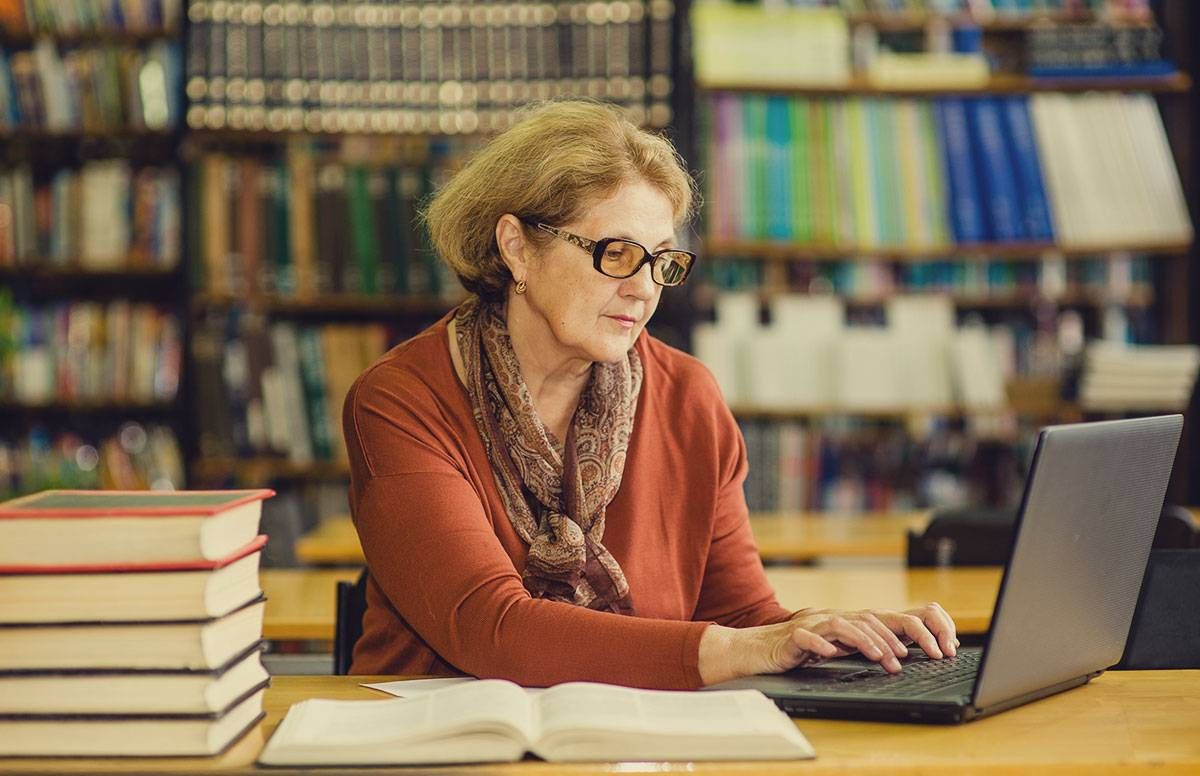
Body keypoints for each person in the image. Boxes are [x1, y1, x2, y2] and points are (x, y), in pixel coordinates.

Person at [343, 99, 958, 688]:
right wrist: (743, 647)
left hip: (624, 742)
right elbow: (489, 629)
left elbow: (742, 617)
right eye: (616, 254)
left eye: (662, 261)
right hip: (435, 744)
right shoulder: (401, 400)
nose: (644, 289)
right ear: (517, 247)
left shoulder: (688, 396)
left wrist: (830, 635)